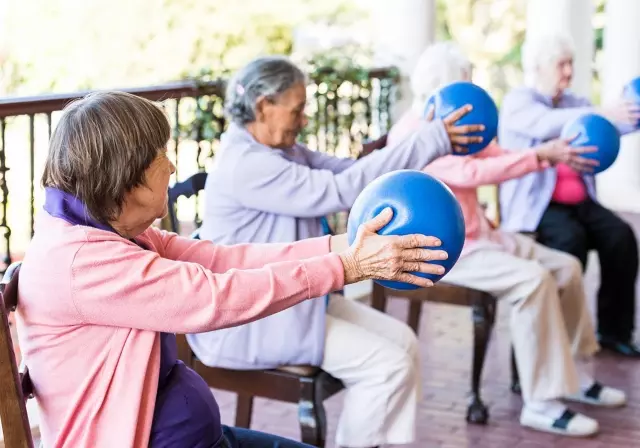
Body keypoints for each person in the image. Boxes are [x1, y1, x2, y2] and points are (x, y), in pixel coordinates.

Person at [15, 91, 449, 448]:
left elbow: (225, 260)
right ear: (125, 178)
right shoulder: (83, 262)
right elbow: (215, 298)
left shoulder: (111, 229)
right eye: (159, 156)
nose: (171, 166)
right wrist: (346, 267)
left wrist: (345, 247)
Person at [192, 55, 483, 448]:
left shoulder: (284, 151)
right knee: (388, 365)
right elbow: (342, 191)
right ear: (264, 106)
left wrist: (429, 142)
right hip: (253, 319)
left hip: (295, 300)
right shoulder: (246, 164)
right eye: (296, 110)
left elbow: (355, 176)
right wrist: (431, 137)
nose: (304, 119)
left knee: (405, 343)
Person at [388, 41, 627, 437]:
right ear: (444, 88)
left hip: (484, 235)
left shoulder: (455, 125)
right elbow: (470, 173)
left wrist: (553, 152)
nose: (472, 94)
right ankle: (541, 403)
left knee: (566, 267)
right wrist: (541, 157)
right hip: (451, 250)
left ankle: (576, 376)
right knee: (533, 281)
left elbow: (495, 154)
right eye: (465, 83)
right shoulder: (413, 135)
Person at [498, 32, 640, 357]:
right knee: (569, 243)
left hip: (581, 203)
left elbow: (613, 125)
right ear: (539, 67)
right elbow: (546, 124)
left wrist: (632, 115)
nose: (568, 72)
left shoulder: (575, 103)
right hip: (539, 208)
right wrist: (605, 113)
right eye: (561, 64)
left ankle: (613, 332)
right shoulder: (519, 102)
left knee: (621, 237)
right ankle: (556, 341)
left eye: (570, 64)